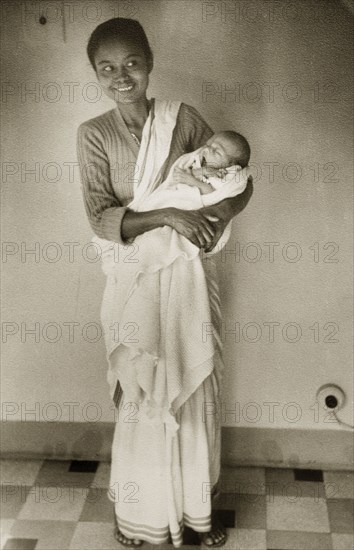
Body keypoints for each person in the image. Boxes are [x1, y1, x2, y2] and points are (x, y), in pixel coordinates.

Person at [77, 17, 253, 548]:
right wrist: (169, 218)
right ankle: (139, 514)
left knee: (194, 383)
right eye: (107, 67)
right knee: (142, 385)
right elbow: (100, 216)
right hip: (133, 278)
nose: (121, 75)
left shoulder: (185, 119)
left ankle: (198, 512)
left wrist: (212, 212)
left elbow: (240, 181)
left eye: (131, 62)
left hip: (190, 277)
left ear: (149, 62)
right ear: (96, 74)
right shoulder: (93, 134)